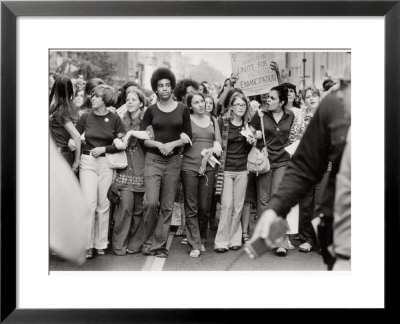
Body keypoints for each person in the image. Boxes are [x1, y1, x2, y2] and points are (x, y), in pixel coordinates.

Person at [250, 75, 351, 270]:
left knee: (321, 202)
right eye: (307, 96)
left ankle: (319, 242)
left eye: (314, 95)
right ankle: (284, 239)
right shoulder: (295, 116)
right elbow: (293, 137)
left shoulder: (326, 113)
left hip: (324, 165)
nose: (311, 98)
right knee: (296, 203)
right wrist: (254, 137)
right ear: (302, 100)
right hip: (293, 163)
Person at [140, 67, 192, 259]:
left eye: (167, 85)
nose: (164, 89)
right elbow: (143, 138)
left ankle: (158, 245)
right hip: (153, 160)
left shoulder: (183, 109)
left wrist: (172, 144)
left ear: (172, 88)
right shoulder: (150, 111)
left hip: (173, 162)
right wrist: (160, 144)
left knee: (167, 206)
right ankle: (148, 240)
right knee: (151, 203)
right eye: (160, 86)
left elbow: (188, 137)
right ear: (155, 88)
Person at [76, 84, 126, 259]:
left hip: (106, 163)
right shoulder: (85, 117)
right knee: (89, 204)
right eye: (92, 95)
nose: (93, 98)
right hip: (87, 162)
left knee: (103, 205)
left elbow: (121, 144)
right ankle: (87, 245)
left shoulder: (115, 118)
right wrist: (72, 142)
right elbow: (75, 137)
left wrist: (104, 149)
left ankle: (101, 243)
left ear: (105, 99)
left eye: (96, 96)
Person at [249, 85, 295, 256]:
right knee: (263, 200)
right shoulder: (260, 114)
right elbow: (247, 134)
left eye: (273, 98)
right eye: (268, 97)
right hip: (263, 161)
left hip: (282, 162)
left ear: (282, 102)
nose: (268, 100)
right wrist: (254, 136)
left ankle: (280, 241)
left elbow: (297, 137)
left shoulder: (291, 116)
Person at [181, 92, 222, 257]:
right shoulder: (186, 121)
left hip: (209, 168)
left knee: (205, 207)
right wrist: (181, 135)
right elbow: (180, 139)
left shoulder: (212, 120)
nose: (201, 104)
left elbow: (218, 142)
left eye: (203, 102)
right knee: (191, 207)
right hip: (189, 167)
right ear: (190, 106)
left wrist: (216, 147)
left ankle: (202, 238)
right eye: (196, 102)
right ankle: (194, 243)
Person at [214, 92, 253, 253]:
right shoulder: (223, 122)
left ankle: (235, 239)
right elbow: (216, 141)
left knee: (238, 207)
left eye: (243, 105)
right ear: (231, 106)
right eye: (236, 105)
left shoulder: (248, 124)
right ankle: (221, 241)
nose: (240, 108)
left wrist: (251, 141)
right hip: (226, 170)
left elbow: (251, 149)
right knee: (226, 206)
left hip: (242, 170)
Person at [111, 88, 149, 256]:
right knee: (125, 207)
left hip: (142, 168)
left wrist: (133, 133)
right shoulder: (120, 119)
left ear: (141, 103)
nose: (130, 102)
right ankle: (119, 244)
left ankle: (135, 243)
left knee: (139, 210)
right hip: (124, 168)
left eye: (134, 99)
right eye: (128, 99)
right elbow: (111, 136)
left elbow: (150, 135)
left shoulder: (147, 120)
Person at [49, 75, 81, 171]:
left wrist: (77, 161)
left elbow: (76, 136)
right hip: (65, 154)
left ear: (55, 90)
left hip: (59, 155)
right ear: (71, 90)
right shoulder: (72, 108)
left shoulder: (60, 112)